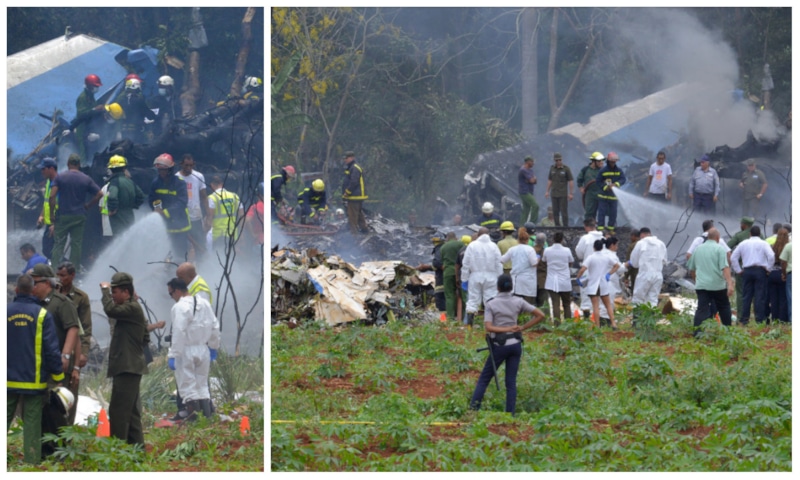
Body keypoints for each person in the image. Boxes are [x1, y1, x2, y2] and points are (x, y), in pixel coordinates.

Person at [7, 274, 65, 465]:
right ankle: (31, 463)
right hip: (34, 380)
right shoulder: (41, 315)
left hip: (6, 379)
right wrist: (58, 376)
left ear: (16, 290)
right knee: (32, 422)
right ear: (32, 290)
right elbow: (51, 349)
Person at [469, 274, 545, 415]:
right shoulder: (518, 301)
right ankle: (510, 414)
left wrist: (506, 329)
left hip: (499, 345)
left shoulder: (491, 304)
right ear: (511, 287)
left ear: (497, 287)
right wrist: (522, 327)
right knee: (511, 382)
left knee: (484, 379)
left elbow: (489, 327)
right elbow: (541, 315)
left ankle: (473, 410)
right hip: (515, 344)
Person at [30, 264, 81, 455]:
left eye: (36, 283)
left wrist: (66, 355)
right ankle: (46, 448)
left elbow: (73, 328)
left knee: (56, 408)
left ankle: (63, 450)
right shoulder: (35, 304)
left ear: (46, 283)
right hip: (40, 366)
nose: (33, 287)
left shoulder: (61, 303)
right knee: (43, 409)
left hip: (57, 365)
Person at [100, 272, 148, 447]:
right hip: (130, 366)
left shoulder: (132, 308)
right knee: (131, 413)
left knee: (118, 411)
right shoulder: (133, 309)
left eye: (115, 291)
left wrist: (104, 291)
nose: (112, 295)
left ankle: (117, 450)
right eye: (111, 291)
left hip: (128, 368)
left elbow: (110, 310)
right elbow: (145, 337)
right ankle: (136, 450)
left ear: (126, 292)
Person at [166, 278, 221, 421]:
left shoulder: (179, 307)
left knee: (187, 385)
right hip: (204, 349)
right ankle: (207, 417)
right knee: (202, 384)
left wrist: (173, 354)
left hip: (186, 350)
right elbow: (215, 326)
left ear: (177, 291)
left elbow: (179, 331)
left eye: (171, 294)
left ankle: (194, 419)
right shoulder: (204, 303)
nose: (171, 297)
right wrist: (213, 347)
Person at [48, 154, 102, 268]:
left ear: (68, 164)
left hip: (63, 216)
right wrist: (88, 205)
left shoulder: (60, 177)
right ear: (79, 165)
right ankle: (74, 271)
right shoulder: (86, 178)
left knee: (59, 243)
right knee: (76, 244)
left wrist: (52, 214)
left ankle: (54, 270)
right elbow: (100, 194)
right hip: (79, 216)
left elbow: (52, 197)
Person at [55, 261, 92, 426]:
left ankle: (68, 431)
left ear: (72, 276)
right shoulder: (52, 293)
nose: (60, 279)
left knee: (71, 392)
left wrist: (83, 352)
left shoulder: (80, 297)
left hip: (72, 352)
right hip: (54, 349)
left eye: (63, 275)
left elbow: (85, 326)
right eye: (59, 275)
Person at [686, 228, 735, 336]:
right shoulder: (719, 249)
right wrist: (730, 284)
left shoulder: (698, 249)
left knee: (701, 309)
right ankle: (728, 331)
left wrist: (696, 280)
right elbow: (725, 267)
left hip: (702, 285)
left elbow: (692, 268)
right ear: (717, 238)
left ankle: (697, 333)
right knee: (724, 306)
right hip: (717, 285)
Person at [149, 153, 191, 262]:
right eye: (159, 170)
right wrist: (156, 209)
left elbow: (182, 202)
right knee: (165, 253)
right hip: (164, 225)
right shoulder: (155, 183)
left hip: (180, 226)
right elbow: (152, 199)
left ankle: (181, 273)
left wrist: (165, 212)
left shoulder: (179, 183)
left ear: (170, 170)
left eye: (163, 170)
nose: (161, 173)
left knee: (180, 255)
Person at [730, 225, 774, 325]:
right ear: (759, 234)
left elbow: (733, 258)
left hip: (747, 271)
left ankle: (744, 319)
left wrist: (738, 270)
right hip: (760, 271)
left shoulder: (743, 243)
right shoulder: (764, 243)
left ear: (750, 234)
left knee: (746, 296)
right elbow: (771, 256)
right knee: (760, 296)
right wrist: (768, 269)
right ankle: (759, 320)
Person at [576, 239, 622, 329]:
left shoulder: (591, 257)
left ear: (594, 248)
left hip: (593, 285)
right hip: (603, 283)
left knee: (596, 306)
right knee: (608, 305)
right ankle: (613, 324)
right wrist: (609, 273)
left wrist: (578, 278)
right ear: (602, 247)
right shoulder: (606, 257)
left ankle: (597, 325)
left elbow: (582, 269)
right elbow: (617, 265)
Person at [461, 227, 503, 327]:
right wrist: (500, 277)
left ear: (478, 235)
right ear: (488, 234)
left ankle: (469, 325)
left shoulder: (472, 245)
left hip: (475, 276)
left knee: (472, 300)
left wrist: (464, 279)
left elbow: (465, 264)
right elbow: (498, 263)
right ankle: (491, 324)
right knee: (491, 300)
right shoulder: (493, 246)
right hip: (491, 277)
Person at [102, 155, 146, 238]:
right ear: (124, 168)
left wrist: (113, 209)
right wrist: (133, 205)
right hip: (129, 215)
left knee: (118, 238)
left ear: (111, 169)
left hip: (118, 218)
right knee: (129, 238)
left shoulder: (114, 182)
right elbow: (141, 196)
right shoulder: (130, 182)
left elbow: (112, 196)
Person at [175, 154, 209, 260]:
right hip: (182, 216)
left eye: (191, 165)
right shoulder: (176, 178)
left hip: (196, 215)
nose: (188, 168)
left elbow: (204, 196)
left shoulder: (198, 176)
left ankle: (201, 267)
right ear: (181, 164)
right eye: (186, 165)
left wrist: (208, 215)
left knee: (199, 242)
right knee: (184, 245)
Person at [627, 227, 667, 309]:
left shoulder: (640, 243)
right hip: (658, 275)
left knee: (638, 299)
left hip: (644, 274)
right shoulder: (661, 244)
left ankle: (637, 321)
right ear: (650, 233)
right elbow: (665, 261)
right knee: (652, 299)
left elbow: (634, 263)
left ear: (641, 235)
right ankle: (650, 320)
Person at [727, 216, 758, 320]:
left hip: (742, 267)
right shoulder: (760, 235)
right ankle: (758, 317)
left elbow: (727, 246)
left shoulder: (739, 236)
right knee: (756, 293)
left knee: (741, 293)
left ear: (744, 225)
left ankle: (741, 318)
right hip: (757, 268)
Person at [541, 231, 574, 326]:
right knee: (566, 304)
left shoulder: (547, 250)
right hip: (564, 281)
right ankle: (569, 325)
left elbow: (544, 260)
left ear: (553, 239)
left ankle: (557, 325)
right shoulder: (567, 250)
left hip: (552, 281)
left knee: (555, 303)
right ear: (562, 240)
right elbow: (571, 262)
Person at [499, 228, 538, 306]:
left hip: (516, 279)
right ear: (527, 240)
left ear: (518, 239)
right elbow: (534, 263)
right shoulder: (530, 250)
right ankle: (527, 318)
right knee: (527, 304)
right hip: (528, 280)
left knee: (516, 303)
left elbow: (502, 260)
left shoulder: (512, 249)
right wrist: (538, 259)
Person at [575, 218, 604, 318]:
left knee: (586, 293)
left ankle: (587, 317)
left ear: (586, 227)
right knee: (600, 294)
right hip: (601, 270)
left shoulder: (585, 238)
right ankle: (598, 318)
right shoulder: (603, 238)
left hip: (587, 269)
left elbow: (579, 253)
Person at [206, 174, 244, 251]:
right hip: (233, 234)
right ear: (222, 184)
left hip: (218, 235)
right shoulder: (234, 196)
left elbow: (210, 218)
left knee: (219, 258)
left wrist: (205, 232)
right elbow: (242, 216)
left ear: (211, 185)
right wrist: (241, 234)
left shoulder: (212, 198)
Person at [113, 77, 155, 144]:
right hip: (136, 132)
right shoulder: (139, 100)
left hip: (122, 131)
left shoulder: (120, 99)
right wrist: (154, 116)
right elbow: (149, 114)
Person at [72, 74, 103, 161]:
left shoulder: (90, 96)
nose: (97, 88)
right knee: (83, 151)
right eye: (96, 86)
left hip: (89, 126)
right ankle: (83, 167)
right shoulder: (82, 98)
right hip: (82, 127)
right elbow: (81, 114)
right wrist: (94, 109)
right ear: (89, 86)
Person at [595, 151, 626, 233]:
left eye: (615, 161)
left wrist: (616, 184)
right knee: (601, 213)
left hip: (613, 196)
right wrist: (605, 187)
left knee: (613, 214)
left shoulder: (619, 170)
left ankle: (611, 229)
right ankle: (600, 230)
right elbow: (598, 181)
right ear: (608, 161)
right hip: (603, 196)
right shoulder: (603, 170)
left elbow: (623, 179)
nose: (613, 163)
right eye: (612, 161)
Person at [417, 234, 447, 313]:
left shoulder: (439, 248)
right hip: (449, 280)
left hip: (442, 281)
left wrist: (426, 267)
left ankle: (444, 322)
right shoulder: (447, 249)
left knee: (441, 304)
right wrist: (427, 267)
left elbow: (437, 263)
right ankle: (451, 321)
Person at [36, 157, 59, 260]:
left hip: (55, 222)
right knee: (49, 250)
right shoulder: (49, 183)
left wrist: (55, 223)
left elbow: (61, 205)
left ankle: (70, 267)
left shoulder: (59, 183)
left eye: (43, 169)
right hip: (49, 222)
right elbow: (46, 202)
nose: (41, 172)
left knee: (49, 250)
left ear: (51, 169)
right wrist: (41, 216)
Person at [341, 151, 369, 234]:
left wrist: (347, 192)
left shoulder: (354, 167)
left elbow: (354, 182)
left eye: (346, 158)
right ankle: (364, 230)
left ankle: (354, 235)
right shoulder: (352, 167)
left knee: (352, 216)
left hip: (354, 196)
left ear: (352, 157)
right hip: (356, 196)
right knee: (359, 213)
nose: (345, 160)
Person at [544, 152, 574, 226]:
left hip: (563, 193)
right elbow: (550, 180)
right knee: (555, 211)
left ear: (562, 159)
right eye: (557, 160)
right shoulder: (552, 168)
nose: (558, 162)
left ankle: (565, 226)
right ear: (554, 160)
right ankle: (557, 226)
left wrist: (571, 193)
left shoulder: (566, 169)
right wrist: (547, 191)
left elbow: (570, 181)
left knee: (564, 211)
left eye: (559, 160)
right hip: (554, 193)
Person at [767, 228, 790, 323]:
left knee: (773, 298)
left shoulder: (772, 247)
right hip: (782, 273)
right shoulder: (788, 247)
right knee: (783, 297)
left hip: (772, 274)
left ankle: (774, 318)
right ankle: (782, 319)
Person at [440, 232, 464, 321]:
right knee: (463, 295)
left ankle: (450, 317)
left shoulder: (443, 247)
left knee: (449, 295)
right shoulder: (461, 244)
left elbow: (443, 261)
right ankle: (464, 317)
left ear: (447, 238)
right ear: (455, 237)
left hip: (448, 272)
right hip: (461, 273)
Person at [577, 152, 605, 222]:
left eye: (602, 161)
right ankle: (589, 227)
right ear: (593, 161)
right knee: (589, 212)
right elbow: (579, 179)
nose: (601, 162)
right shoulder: (585, 170)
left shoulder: (603, 170)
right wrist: (581, 188)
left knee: (602, 211)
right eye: (599, 161)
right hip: (589, 194)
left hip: (601, 193)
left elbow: (609, 180)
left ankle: (600, 227)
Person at [455, 234, 473, 323]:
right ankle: (470, 319)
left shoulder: (460, 251)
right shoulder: (473, 249)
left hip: (463, 277)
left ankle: (465, 320)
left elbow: (457, 266)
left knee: (465, 298)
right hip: (473, 276)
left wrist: (457, 278)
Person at [532, 232, 551, 317]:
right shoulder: (547, 252)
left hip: (532, 279)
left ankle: (533, 321)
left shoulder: (531, 250)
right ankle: (545, 322)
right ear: (544, 242)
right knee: (544, 303)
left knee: (532, 302)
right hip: (543, 279)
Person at [518, 156, 539, 225]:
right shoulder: (523, 170)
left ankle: (521, 225)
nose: (533, 163)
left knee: (526, 210)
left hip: (530, 192)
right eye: (532, 162)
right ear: (528, 162)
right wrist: (532, 180)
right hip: (524, 192)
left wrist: (531, 180)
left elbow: (535, 181)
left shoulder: (530, 170)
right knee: (535, 206)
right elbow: (532, 180)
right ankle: (532, 223)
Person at [245, 182, 265, 249]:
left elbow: (247, 220)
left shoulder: (255, 207)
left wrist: (252, 234)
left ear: (258, 194)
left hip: (259, 241)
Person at [623, 229, 640, 295]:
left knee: (635, 291)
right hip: (646, 272)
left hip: (635, 272)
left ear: (634, 236)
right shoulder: (645, 244)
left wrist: (626, 276)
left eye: (631, 236)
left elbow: (629, 262)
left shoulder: (632, 246)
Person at [779, 240, 791, 323]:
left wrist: (784, 273)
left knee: (791, 298)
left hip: (791, 274)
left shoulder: (788, 246)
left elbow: (783, 262)